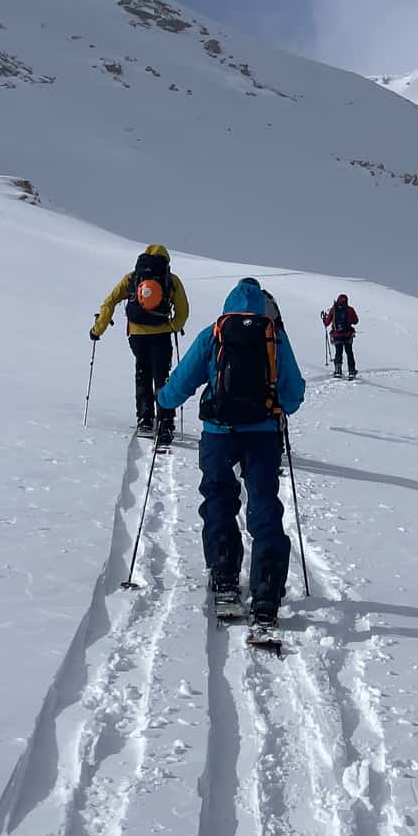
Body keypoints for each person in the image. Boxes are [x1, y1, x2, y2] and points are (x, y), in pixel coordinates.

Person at [158, 277, 306, 626]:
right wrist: (275, 406)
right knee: (264, 504)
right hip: (262, 435)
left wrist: (164, 400)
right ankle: (267, 588)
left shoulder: (215, 332)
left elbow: (183, 379)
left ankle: (224, 572)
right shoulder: (273, 335)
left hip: (218, 433)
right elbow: (294, 394)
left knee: (219, 498)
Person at [90, 244, 190, 446]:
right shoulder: (171, 280)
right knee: (162, 376)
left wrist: (97, 329)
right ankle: (165, 420)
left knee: (142, 372)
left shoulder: (132, 277)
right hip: (161, 334)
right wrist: (173, 326)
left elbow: (109, 302)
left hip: (137, 334)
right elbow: (183, 310)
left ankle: (145, 419)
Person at [321, 293, 359, 378]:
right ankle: (351, 371)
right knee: (349, 352)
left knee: (338, 352)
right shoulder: (350, 309)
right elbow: (356, 321)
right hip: (348, 335)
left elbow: (326, 323)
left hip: (336, 335)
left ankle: (338, 371)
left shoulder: (333, 310)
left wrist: (324, 318)